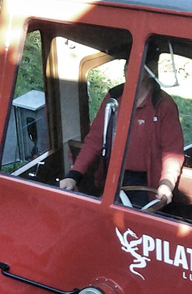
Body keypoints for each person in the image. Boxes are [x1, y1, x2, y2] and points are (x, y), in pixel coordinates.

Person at [60, 50, 184, 207]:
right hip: (114, 176)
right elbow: (95, 139)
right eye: (127, 63)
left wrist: (166, 184)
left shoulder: (163, 105)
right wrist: (74, 175)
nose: (127, 68)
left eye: (135, 63)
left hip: (147, 183)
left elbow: (173, 152)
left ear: (151, 69)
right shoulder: (113, 98)